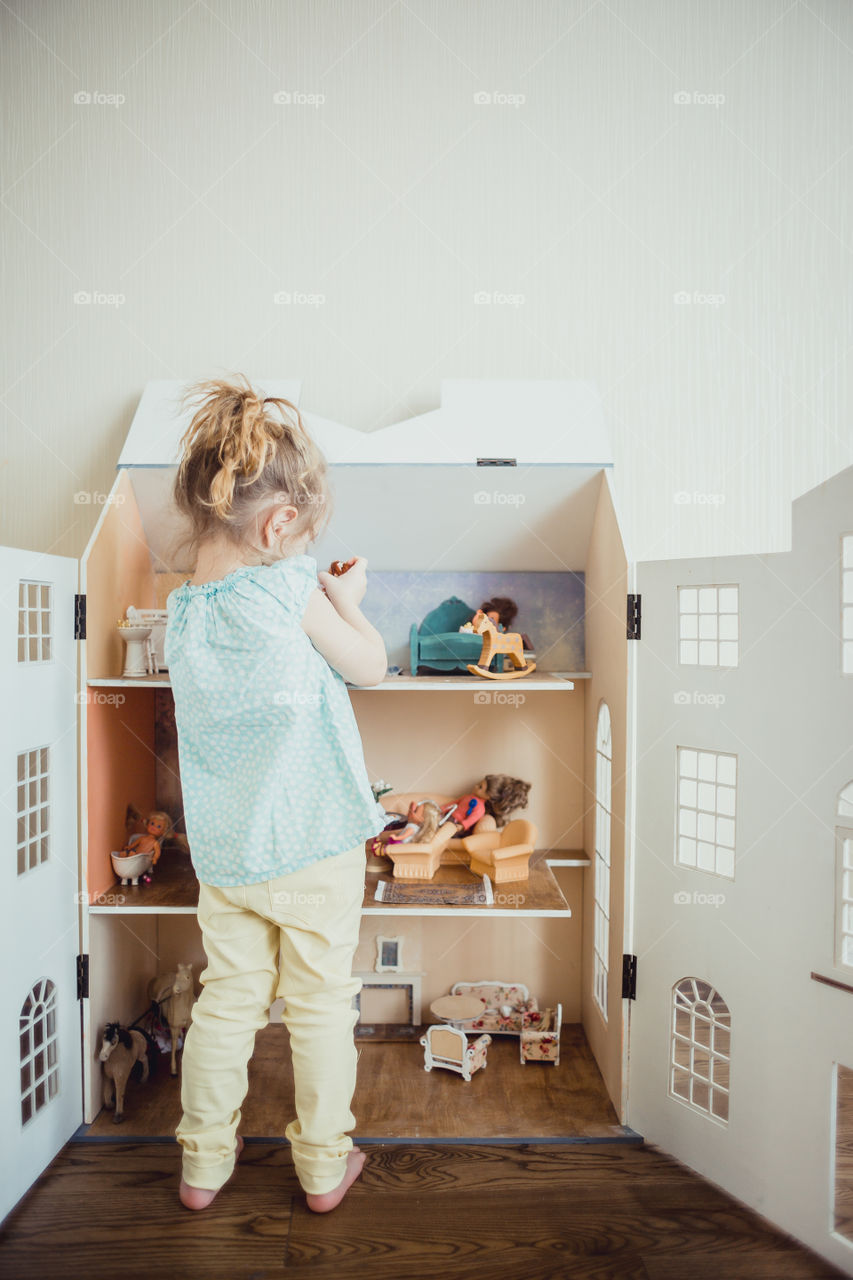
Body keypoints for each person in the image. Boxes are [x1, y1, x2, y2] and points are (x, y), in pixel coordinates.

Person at [163, 374, 389, 1214]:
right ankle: (323, 1167)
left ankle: (202, 1167)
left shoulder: (182, 611)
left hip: (228, 852)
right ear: (279, 524)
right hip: (314, 844)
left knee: (227, 1003)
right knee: (320, 1004)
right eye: (303, 540)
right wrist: (347, 600)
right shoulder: (290, 588)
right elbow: (369, 666)